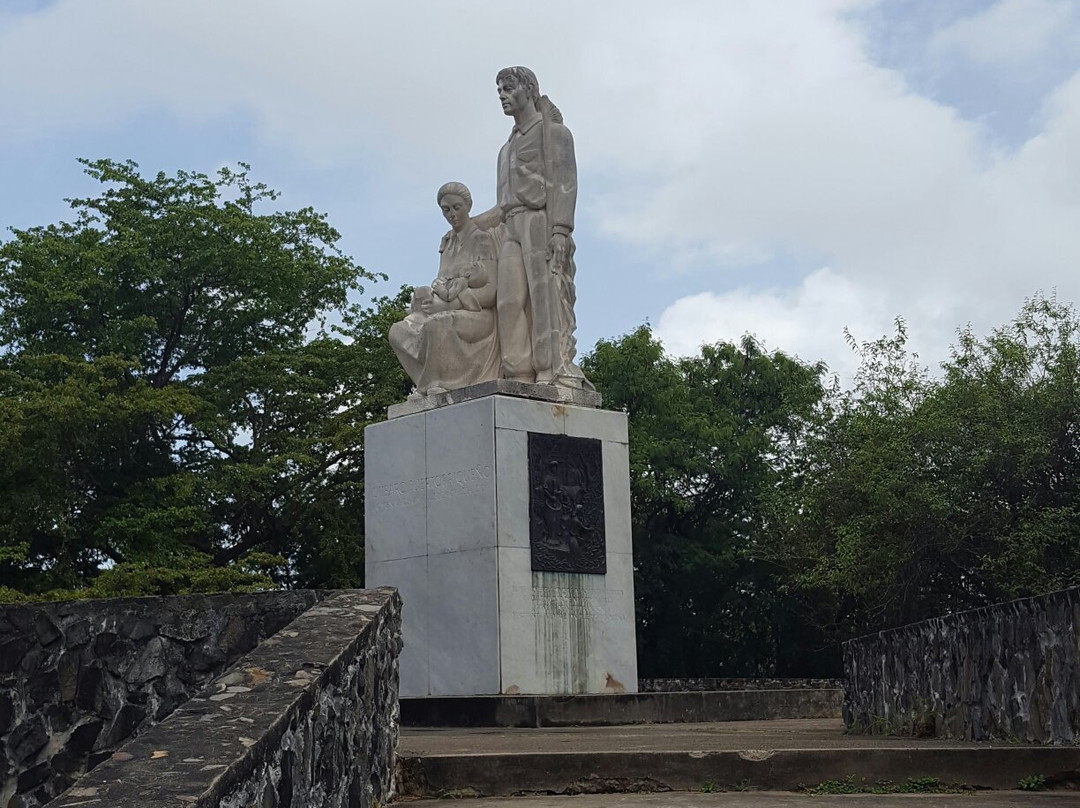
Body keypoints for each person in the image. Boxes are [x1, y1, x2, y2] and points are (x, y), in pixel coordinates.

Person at [474, 66, 591, 389]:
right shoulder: (505, 148)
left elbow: (565, 183)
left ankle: (547, 369)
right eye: (499, 89)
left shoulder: (554, 134)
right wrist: (468, 226)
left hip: (539, 220)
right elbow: (501, 204)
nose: (502, 95)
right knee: (509, 300)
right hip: (510, 225)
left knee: (544, 298)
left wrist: (560, 230)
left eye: (509, 88)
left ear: (529, 89)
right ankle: (518, 370)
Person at [389, 182, 500, 395]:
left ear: (468, 206)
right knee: (398, 331)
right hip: (445, 308)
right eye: (446, 210)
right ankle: (428, 381)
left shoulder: (481, 239)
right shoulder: (447, 243)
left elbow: (490, 292)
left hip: (479, 316)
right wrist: (425, 301)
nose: (452, 215)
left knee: (436, 325)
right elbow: (442, 283)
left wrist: (453, 302)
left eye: (457, 208)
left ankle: (436, 385)